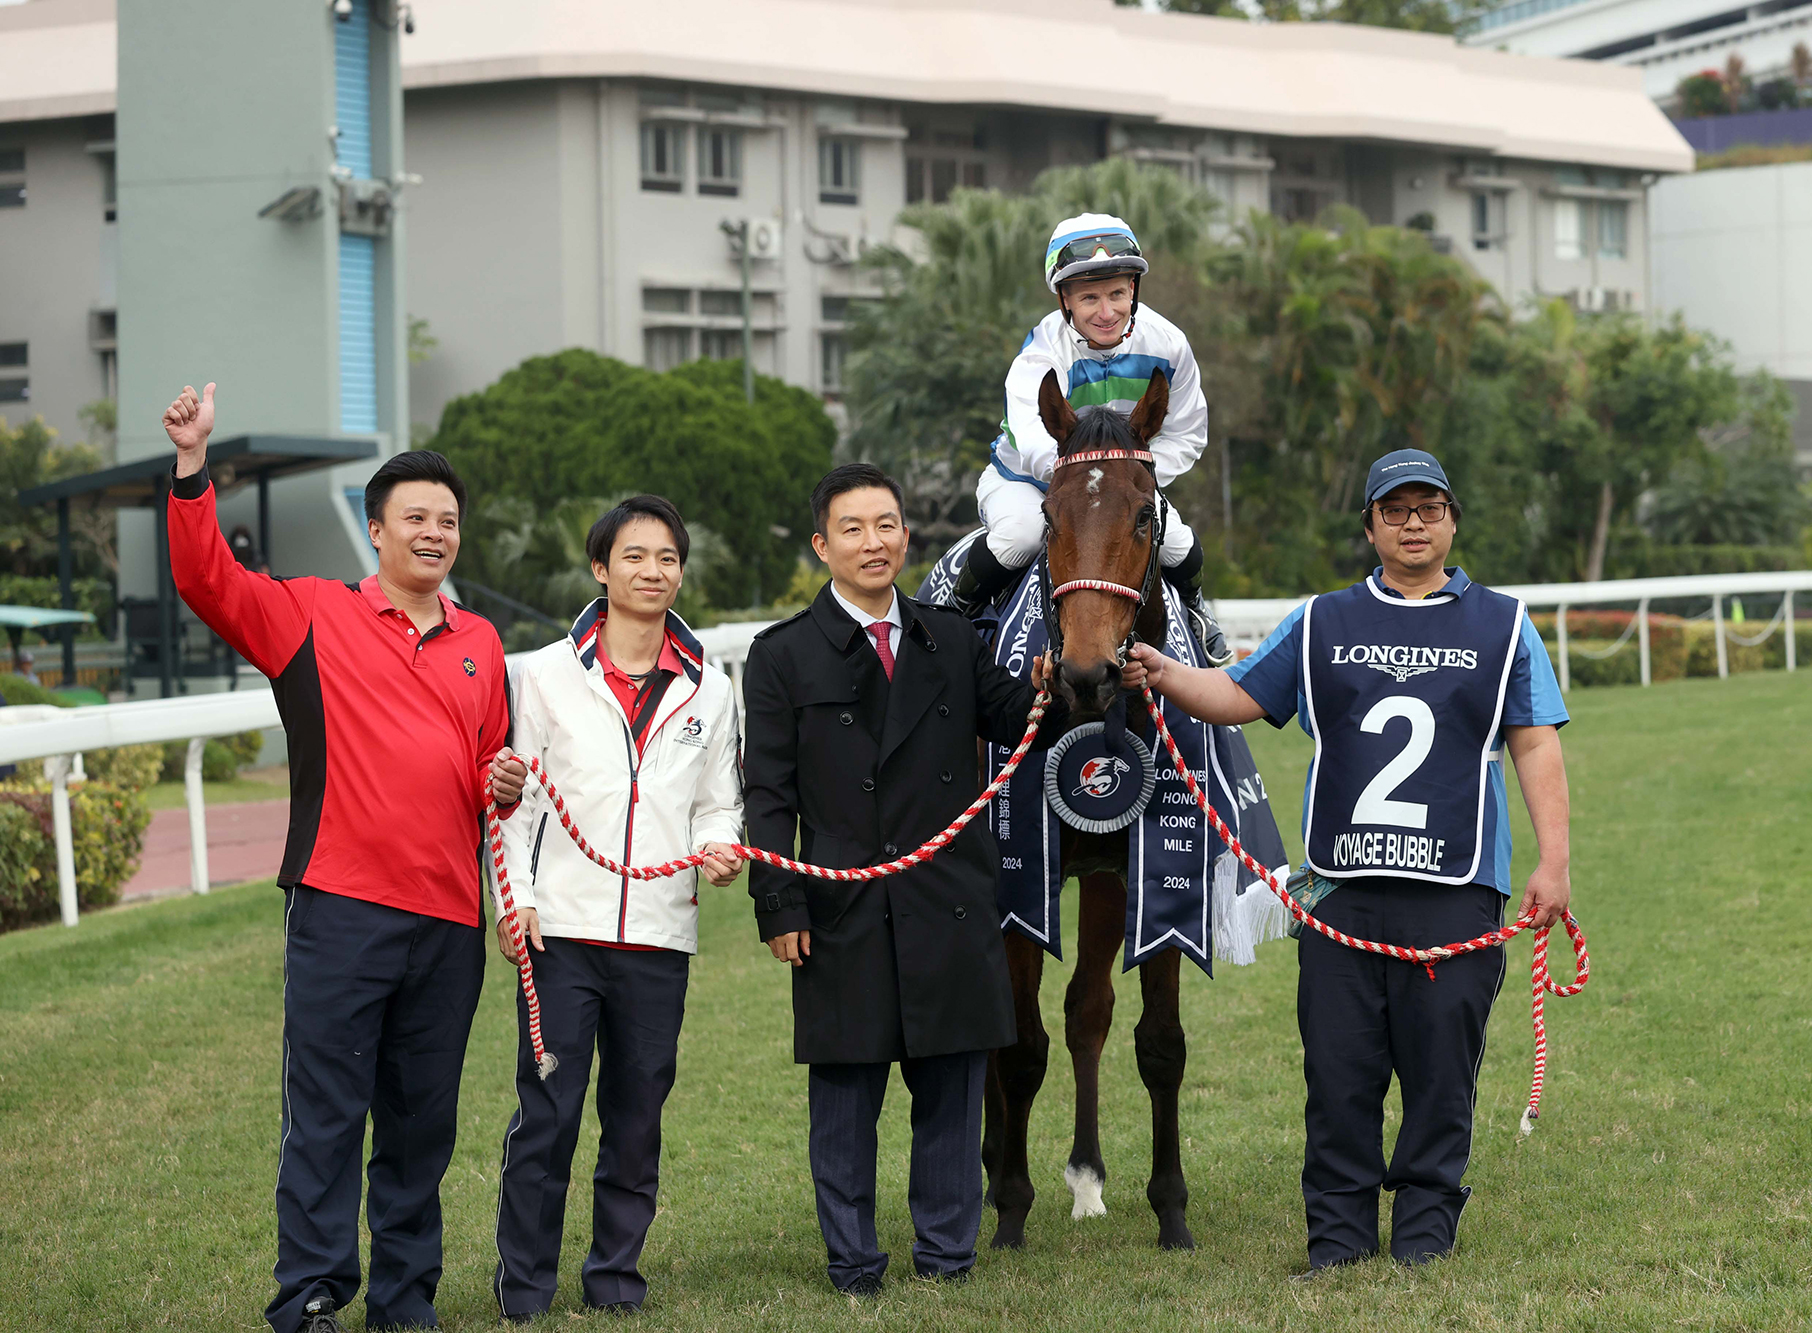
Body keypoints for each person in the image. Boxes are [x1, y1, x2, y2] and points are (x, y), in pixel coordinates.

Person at [1120, 448, 1573, 1271]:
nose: (1412, 523)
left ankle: (1426, 1232)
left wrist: (1555, 863)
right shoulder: (1324, 617)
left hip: (1459, 887)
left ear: (1452, 520)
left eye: (1427, 508)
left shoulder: (1503, 623)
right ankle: (1338, 1237)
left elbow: (1534, 741)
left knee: (1440, 1074)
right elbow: (1239, 696)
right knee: (1339, 1074)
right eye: (1394, 509)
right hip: (1340, 894)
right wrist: (1163, 671)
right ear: (1369, 525)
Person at [161, 383, 527, 1333]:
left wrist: (507, 780)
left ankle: (406, 1302)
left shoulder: (483, 642)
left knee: (420, 1125)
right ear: (377, 531)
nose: (435, 533)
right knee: (326, 1116)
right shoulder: (308, 613)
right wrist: (194, 467)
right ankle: (311, 1295)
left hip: (449, 923)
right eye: (416, 518)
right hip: (340, 906)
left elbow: (489, 769)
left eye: (448, 520)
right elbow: (206, 581)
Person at [742, 463, 1062, 1296]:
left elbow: (1022, 714)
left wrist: (1059, 681)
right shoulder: (780, 657)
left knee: (954, 1089)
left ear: (906, 536)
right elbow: (768, 795)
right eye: (851, 528)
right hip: (841, 908)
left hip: (948, 901)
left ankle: (948, 1252)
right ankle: (852, 1261)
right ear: (823, 545)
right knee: (847, 1093)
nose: (872, 542)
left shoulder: (953, 639)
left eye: (886, 525)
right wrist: (778, 900)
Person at [484, 495, 744, 1322]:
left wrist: (722, 843)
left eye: (667, 557)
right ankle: (524, 1288)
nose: (652, 571)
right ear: (602, 568)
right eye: (634, 556)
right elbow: (516, 801)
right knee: (546, 1121)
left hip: (659, 938)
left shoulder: (712, 686)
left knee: (636, 1123)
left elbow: (716, 801)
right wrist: (516, 901)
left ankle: (615, 1280)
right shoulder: (546, 675)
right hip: (561, 934)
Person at [950, 212, 1232, 664]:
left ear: (1134, 290)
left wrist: (1134, 474)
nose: (1107, 312)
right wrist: (1083, 483)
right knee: (1021, 535)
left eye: (1118, 293)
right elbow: (1034, 439)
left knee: (1179, 544)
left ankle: (1198, 613)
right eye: (1089, 298)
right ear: (1064, 299)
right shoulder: (1040, 354)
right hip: (1029, 481)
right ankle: (954, 615)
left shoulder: (1171, 345)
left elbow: (1187, 433)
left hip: (1123, 483)